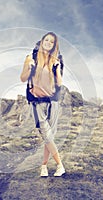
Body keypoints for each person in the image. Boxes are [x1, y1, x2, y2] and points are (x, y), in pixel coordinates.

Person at [20, 32, 65, 177]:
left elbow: (59, 83)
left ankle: (44, 166)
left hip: (53, 102)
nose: (48, 43)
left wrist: (57, 69)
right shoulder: (31, 58)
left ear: (54, 46)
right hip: (37, 102)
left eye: (51, 42)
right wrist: (29, 68)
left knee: (49, 136)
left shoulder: (56, 60)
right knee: (46, 135)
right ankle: (60, 165)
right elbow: (22, 78)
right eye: (46, 40)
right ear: (42, 41)